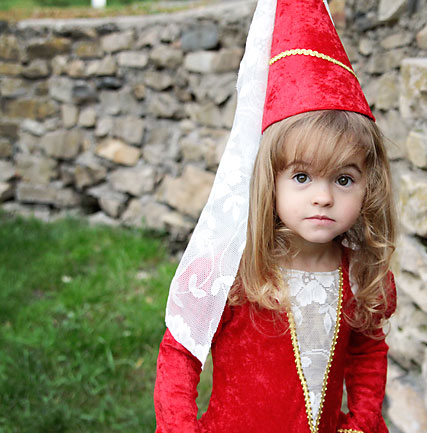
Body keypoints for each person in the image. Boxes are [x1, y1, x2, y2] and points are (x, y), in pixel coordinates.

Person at [154, 1, 397, 432]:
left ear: (368, 185)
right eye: (302, 176)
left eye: (343, 180)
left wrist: (361, 421)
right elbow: (181, 353)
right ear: (270, 180)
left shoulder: (360, 273)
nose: (322, 197)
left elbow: (368, 351)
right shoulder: (232, 272)